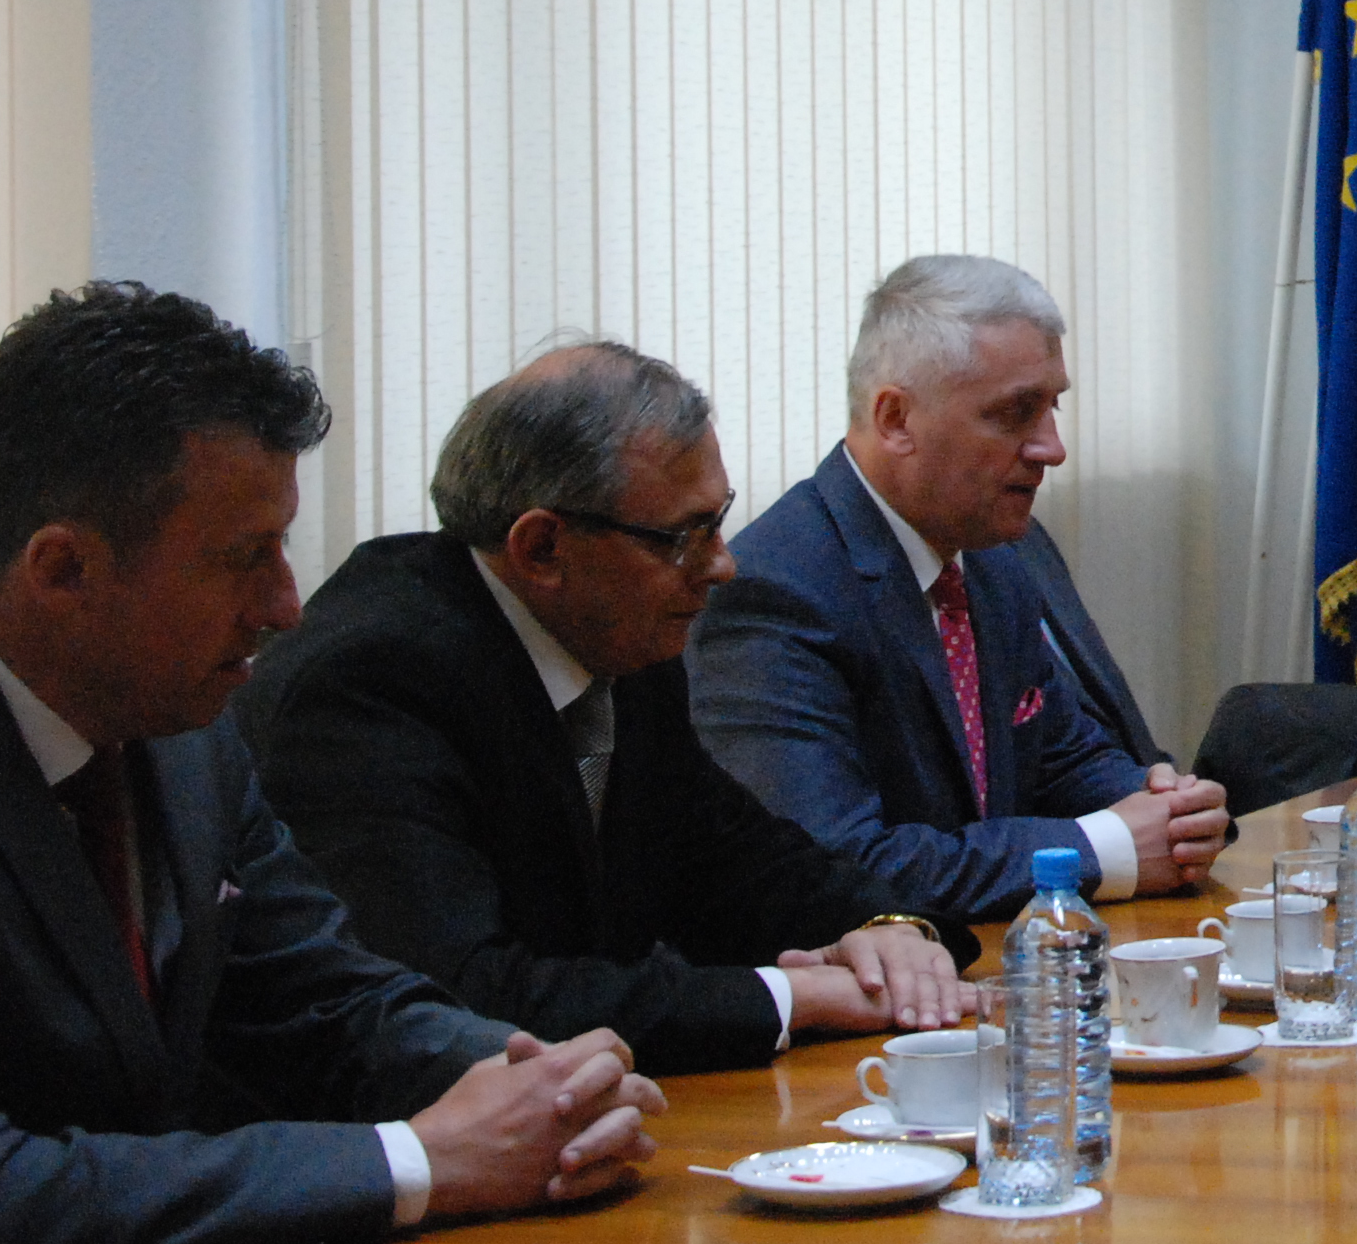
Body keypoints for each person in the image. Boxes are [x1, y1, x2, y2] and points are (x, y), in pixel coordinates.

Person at [0, 285, 664, 1244]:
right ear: (62, 569)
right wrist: (415, 1162)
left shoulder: (173, 721)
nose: (285, 606)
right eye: (242, 556)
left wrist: (533, 1079)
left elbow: (321, 999)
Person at [240, 343, 976, 1077]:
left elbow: (736, 860)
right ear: (542, 548)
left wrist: (889, 930)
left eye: (717, 521)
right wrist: (790, 998)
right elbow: (458, 995)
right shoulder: (369, 682)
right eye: (684, 537)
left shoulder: (618, 638)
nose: (723, 564)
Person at [691, 256, 1228, 924]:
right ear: (896, 419)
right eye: (1015, 413)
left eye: (1053, 407)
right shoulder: (773, 590)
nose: (1053, 448)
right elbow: (836, 865)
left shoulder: (997, 552)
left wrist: (1167, 808)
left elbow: (1060, 756)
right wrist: (1104, 849)